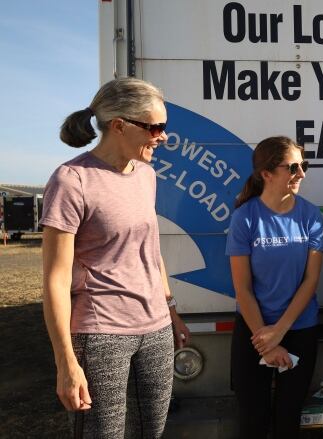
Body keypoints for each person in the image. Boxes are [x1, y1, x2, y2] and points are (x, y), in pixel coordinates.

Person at [41, 77, 190, 438]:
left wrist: (171, 310)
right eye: (155, 127)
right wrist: (66, 362)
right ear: (119, 126)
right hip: (101, 333)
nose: (163, 136)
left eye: (164, 127)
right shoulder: (71, 180)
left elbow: (150, 252)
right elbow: (55, 281)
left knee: (151, 433)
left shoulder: (147, 175)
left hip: (155, 328)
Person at [226, 136, 323, 438]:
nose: (302, 174)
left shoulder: (311, 215)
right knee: (252, 420)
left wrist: (280, 332)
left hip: (299, 328)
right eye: (293, 167)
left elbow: (310, 281)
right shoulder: (245, 217)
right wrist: (266, 340)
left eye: (303, 166)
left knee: (288, 419)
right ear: (266, 173)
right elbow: (242, 289)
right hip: (254, 330)